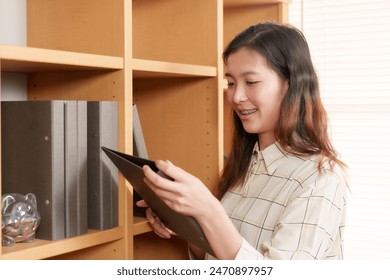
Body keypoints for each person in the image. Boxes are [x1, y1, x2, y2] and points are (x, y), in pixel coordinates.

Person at [137, 22, 349, 260]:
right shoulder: (246, 165)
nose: (236, 97)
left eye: (251, 82)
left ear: (290, 85)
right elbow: (220, 256)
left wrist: (209, 211)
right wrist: (186, 224)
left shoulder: (319, 179)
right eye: (231, 83)